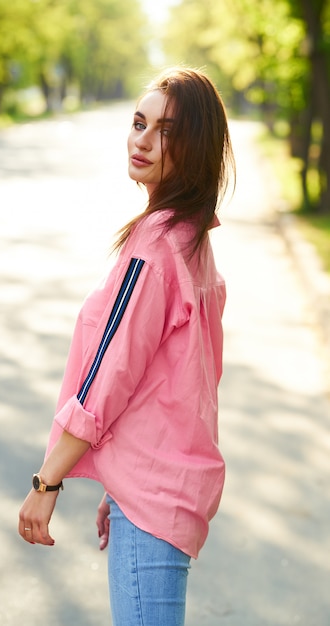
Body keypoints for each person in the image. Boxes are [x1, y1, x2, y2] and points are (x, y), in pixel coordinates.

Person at [18, 66, 235, 626]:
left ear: (194, 148)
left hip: (155, 503)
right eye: (139, 122)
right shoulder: (190, 238)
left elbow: (106, 378)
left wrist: (47, 481)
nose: (143, 138)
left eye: (165, 130)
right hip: (159, 491)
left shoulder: (156, 248)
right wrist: (117, 480)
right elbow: (174, 385)